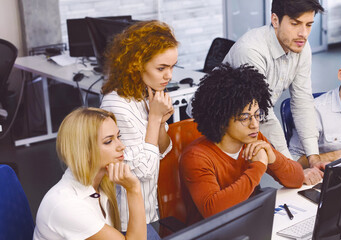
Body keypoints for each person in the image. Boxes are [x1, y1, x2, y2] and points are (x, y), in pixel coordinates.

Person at [180, 64, 305, 224]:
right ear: (222, 120)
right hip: (214, 233)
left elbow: (297, 179)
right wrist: (258, 166)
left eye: (257, 115)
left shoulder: (254, 139)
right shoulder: (196, 156)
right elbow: (215, 212)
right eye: (244, 118)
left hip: (248, 223)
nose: (254, 124)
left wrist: (273, 159)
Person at [223, 0, 325, 168]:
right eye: (295, 23)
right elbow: (263, 115)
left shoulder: (301, 47)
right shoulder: (251, 52)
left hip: (244, 124)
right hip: (210, 129)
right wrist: (292, 167)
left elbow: (302, 101)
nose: (304, 33)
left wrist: (313, 157)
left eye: (309, 25)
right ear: (275, 20)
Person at [100, 20, 176, 238]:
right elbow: (144, 170)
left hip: (149, 210)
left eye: (172, 67)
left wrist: (161, 122)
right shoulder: (116, 104)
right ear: (137, 65)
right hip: (126, 219)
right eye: (161, 68)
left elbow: (163, 150)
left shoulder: (147, 93)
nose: (168, 76)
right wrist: (154, 118)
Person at [33, 107, 146, 240]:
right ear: (84, 151)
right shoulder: (67, 206)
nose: (121, 146)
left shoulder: (101, 182)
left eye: (118, 137)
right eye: (109, 141)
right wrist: (134, 190)